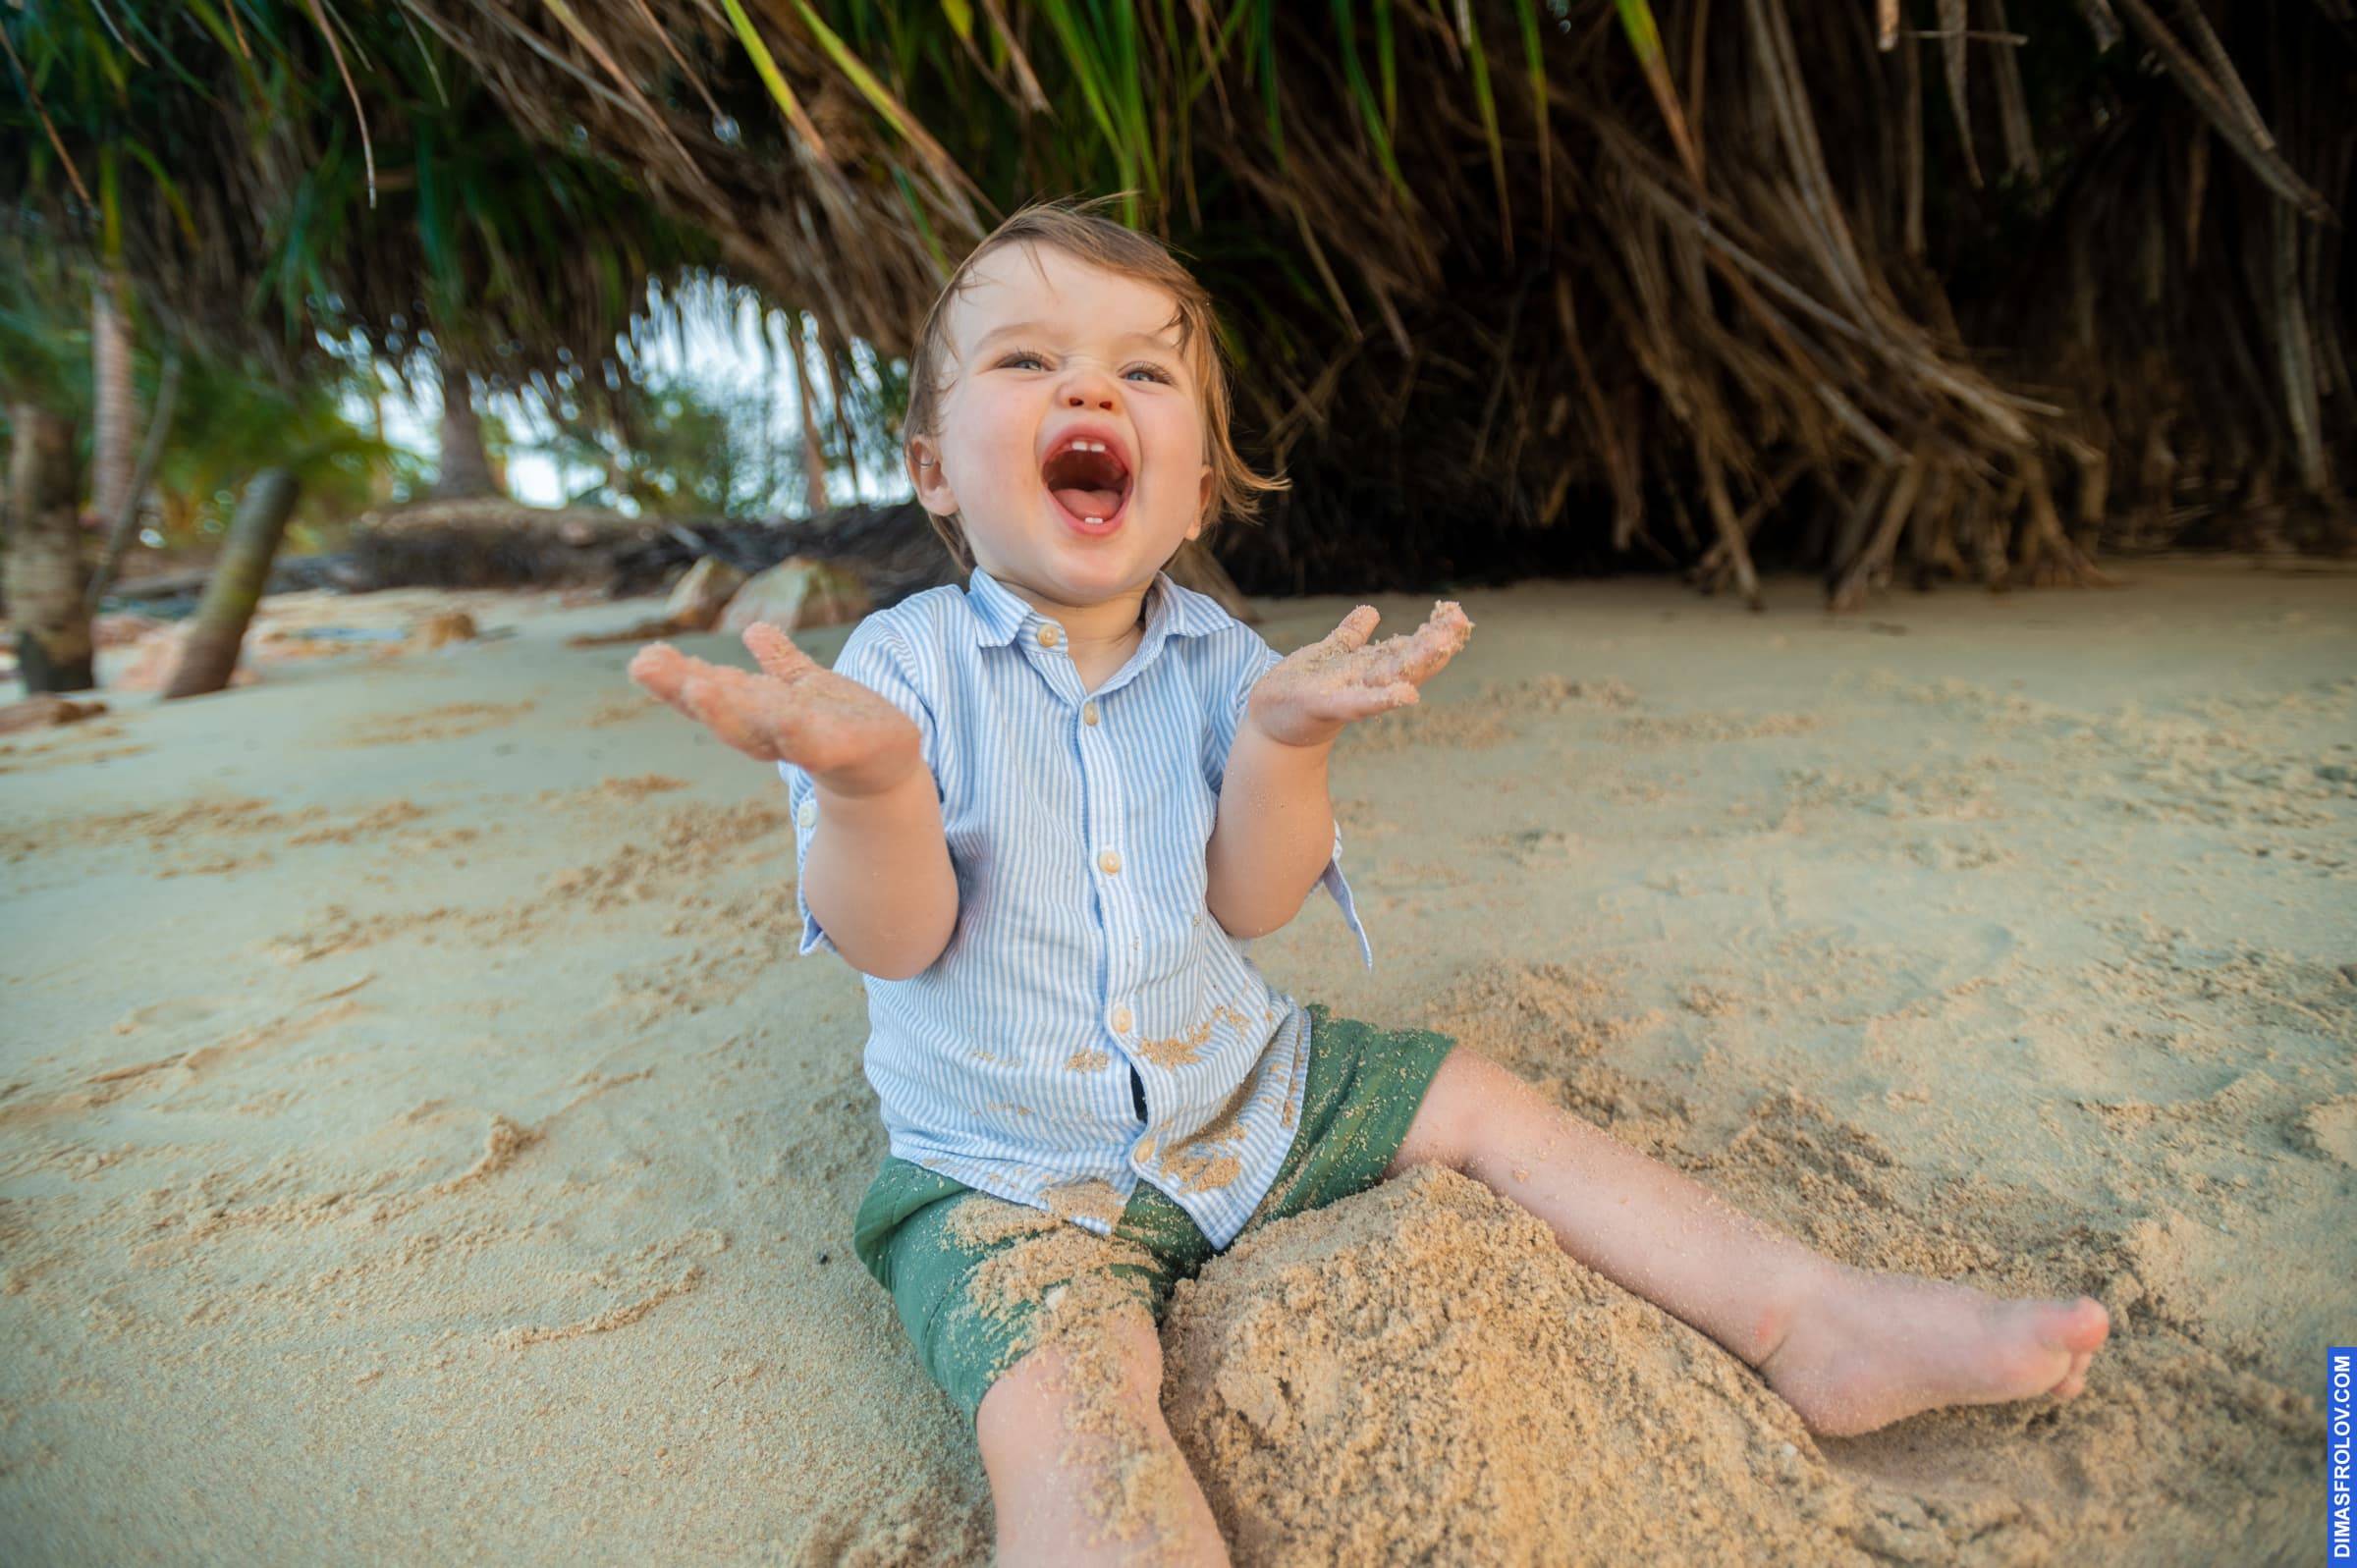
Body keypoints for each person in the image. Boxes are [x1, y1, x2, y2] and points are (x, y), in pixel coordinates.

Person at [629, 195, 2110, 1565]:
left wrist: (1286, 744)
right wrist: (871, 788)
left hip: (1248, 1093)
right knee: (1070, 1405)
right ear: (934, 469)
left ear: (1195, 490)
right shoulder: (892, 678)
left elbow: (1251, 901)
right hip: (1003, 1176)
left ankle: (1811, 1316)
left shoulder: (1223, 661)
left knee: (1477, 1100)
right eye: (1028, 360)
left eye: (1143, 374)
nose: (1092, 392)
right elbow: (899, 937)